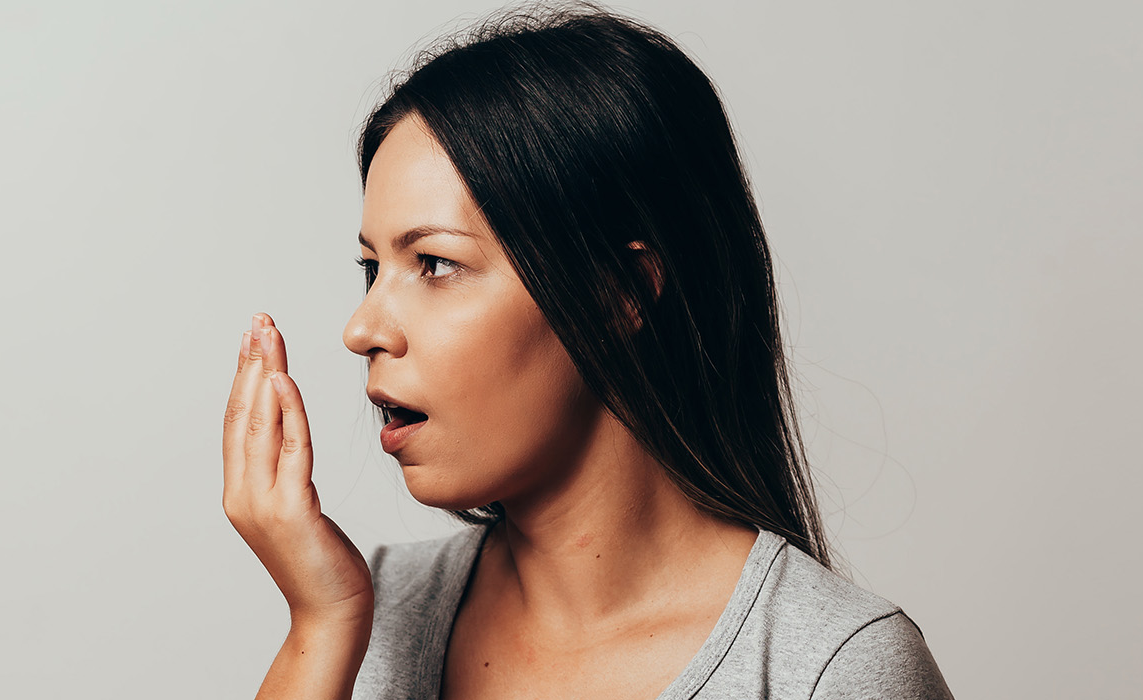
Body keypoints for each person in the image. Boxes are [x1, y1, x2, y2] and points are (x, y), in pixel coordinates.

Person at [220, 3, 955, 698]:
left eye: (434, 264)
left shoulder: (832, 667)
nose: (361, 329)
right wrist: (322, 624)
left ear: (621, 293)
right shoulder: (367, 618)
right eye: (371, 268)